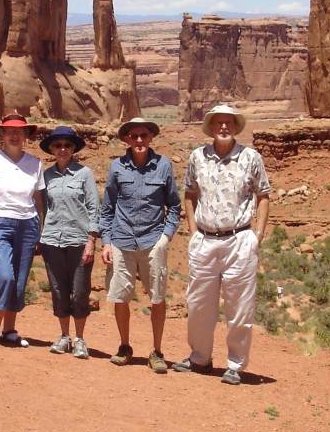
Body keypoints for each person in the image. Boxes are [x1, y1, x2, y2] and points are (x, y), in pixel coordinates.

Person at [172, 104, 270, 385]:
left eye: (229, 123)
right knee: (199, 304)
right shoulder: (197, 157)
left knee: (239, 306)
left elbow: (263, 195)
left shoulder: (251, 157)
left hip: (239, 240)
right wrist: (192, 232)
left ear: (236, 127)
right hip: (204, 240)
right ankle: (200, 358)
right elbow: (190, 193)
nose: (224, 127)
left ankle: (235, 365)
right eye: (218, 123)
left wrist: (257, 235)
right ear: (211, 128)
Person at [100, 117, 181, 374]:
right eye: (133, 136)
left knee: (157, 297)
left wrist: (164, 239)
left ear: (151, 137)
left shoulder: (164, 166)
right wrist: (106, 242)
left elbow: (175, 206)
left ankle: (157, 351)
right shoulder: (117, 167)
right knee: (120, 297)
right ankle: (124, 346)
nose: (138, 140)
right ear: (126, 139)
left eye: (143, 135)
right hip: (121, 240)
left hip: (152, 240)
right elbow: (107, 208)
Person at [0, 113, 45, 348]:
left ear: (26, 135)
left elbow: (38, 200)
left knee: (19, 280)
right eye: (9, 131)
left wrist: (41, 232)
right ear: (2, 135)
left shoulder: (35, 164)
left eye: (19, 131)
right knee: (4, 275)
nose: (14, 135)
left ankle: (10, 329)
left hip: (28, 225)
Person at [39, 126, 100, 360]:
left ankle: (80, 339)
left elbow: (95, 209)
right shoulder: (46, 176)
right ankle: (64, 336)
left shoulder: (85, 174)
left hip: (79, 240)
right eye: (57, 145)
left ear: (73, 148)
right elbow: (43, 208)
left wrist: (91, 241)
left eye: (66, 145)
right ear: (52, 149)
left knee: (80, 290)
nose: (62, 149)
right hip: (52, 240)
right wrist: (40, 237)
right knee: (58, 290)